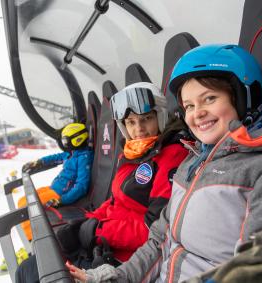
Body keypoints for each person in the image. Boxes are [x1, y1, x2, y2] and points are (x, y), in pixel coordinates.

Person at [67, 44, 262, 283]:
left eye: (210, 98)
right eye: (190, 106)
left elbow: (261, 270)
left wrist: (96, 232)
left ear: (244, 98)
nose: (197, 113)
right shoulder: (193, 161)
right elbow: (159, 240)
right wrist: (114, 277)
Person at [15, 82, 189, 283]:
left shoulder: (171, 156)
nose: (139, 129)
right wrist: (86, 222)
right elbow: (114, 202)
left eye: (146, 119)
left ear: (160, 116)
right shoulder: (132, 153)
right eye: (131, 122)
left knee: (36, 276)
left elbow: (155, 228)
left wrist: (97, 231)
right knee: (27, 270)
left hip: (127, 260)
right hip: (105, 245)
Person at [17, 122, 94, 240]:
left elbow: (81, 186)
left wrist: (61, 200)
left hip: (58, 194)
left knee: (27, 208)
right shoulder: (71, 154)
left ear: (77, 140)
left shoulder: (83, 158)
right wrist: (39, 162)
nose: (65, 145)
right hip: (53, 188)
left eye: (66, 141)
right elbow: (56, 157)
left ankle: (34, 240)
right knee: (22, 200)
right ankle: (28, 237)